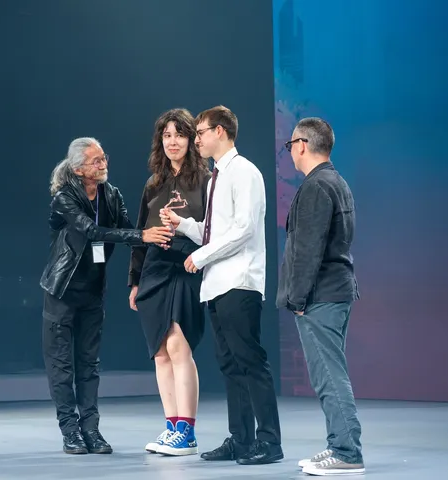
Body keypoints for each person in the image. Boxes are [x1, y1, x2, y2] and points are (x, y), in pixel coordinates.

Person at [160, 105, 283, 465]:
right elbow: (214, 231)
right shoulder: (216, 178)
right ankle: (241, 439)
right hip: (216, 285)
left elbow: (243, 230)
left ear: (220, 132)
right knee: (230, 365)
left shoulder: (245, 172)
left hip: (239, 282)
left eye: (200, 133)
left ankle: (270, 441)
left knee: (251, 362)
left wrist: (200, 257)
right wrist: (183, 224)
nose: (195, 140)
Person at [40, 137, 174, 455]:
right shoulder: (64, 197)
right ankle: (70, 431)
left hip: (92, 291)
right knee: (62, 366)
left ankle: (91, 430)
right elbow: (90, 231)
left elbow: (126, 229)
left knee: (89, 364)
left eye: (104, 158)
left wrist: (156, 232)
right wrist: (141, 235)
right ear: (78, 169)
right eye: (96, 161)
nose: (103, 165)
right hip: (62, 291)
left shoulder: (110, 194)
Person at [277, 117, 364, 476]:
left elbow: (308, 250)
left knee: (329, 375)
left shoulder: (316, 186)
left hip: (320, 296)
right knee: (331, 372)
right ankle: (339, 445)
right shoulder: (336, 182)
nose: (289, 152)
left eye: (290, 145)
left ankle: (346, 452)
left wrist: (297, 299)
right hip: (335, 290)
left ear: (301, 145)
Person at [128, 109, 211, 456]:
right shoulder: (153, 184)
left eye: (179, 135)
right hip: (154, 271)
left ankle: (187, 432)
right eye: (166, 136)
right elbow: (140, 234)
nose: (172, 142)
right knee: (160, 351)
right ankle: (172, 426)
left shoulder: (206, 180)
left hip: (186, 267)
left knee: (179, 346)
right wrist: (134, 281)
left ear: (191, 139)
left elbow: (214, 230)